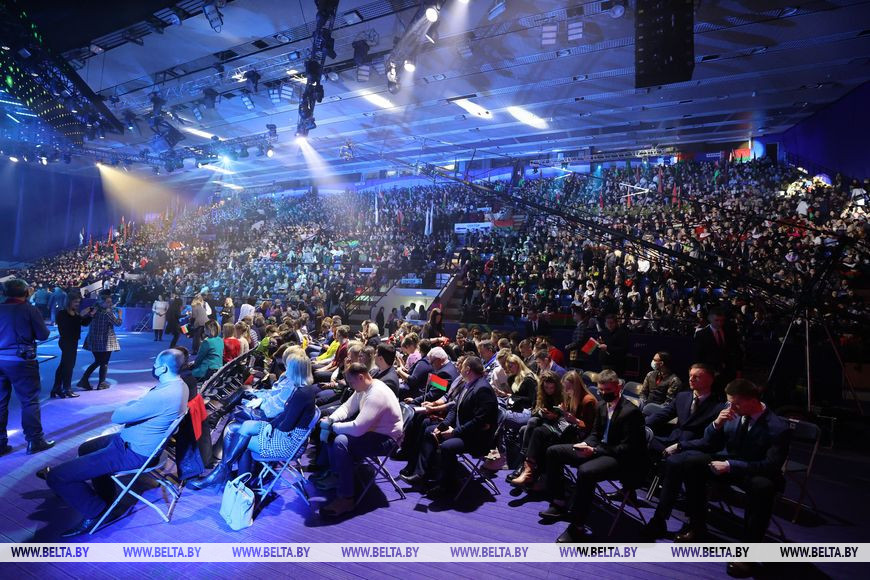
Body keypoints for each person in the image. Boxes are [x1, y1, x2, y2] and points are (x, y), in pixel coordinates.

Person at [642, 380, 789, 569]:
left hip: (753, 470)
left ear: (753, 401)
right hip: (725, 461)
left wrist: (730, 465)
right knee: (686, 464)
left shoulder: (777, 427)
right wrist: (716, 424)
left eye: (736, 404)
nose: (731, 408)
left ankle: (749, 552)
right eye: (729, 403)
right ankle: (694, 526)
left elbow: (771, 465)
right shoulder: (733, 413)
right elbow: (708, 442)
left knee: (764, 488)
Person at [43, 349, 188, 537]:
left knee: (56, 477)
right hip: (137, 444)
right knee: (86, 448)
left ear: (164, 369)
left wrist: (132, 404)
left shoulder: (162, 395)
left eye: (156, 364)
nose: (153, 367)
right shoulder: (181, 386)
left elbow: (117, 416)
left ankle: (96, 511)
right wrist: (137, 405)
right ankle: (104, 496)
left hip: (132, 452)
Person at [540, 369, 646, 542]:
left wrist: (594, 451)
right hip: (599, 449)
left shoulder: (631, 412)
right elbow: (595, 434)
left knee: (585, 471)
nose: (603, 393)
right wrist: (586, 444)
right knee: (554, 452)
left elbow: (628, 448)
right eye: (601, 390)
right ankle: (559, 502)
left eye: (608, 390)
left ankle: (577, 526)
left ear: (618, 387)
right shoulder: (602, 405)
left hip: (620, 459)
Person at [191, 350, 317, 490]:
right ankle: (230, 474)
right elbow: (284, 417)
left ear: (296, 372)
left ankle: (227, 475)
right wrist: (269, 425)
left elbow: (286, 425)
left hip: (287, 443)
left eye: (289, 369)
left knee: (241, 439)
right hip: (285, 434)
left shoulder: (301, 394)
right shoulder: (303, 390)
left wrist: (267, 426)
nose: (286, 372)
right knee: (236, 429)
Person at [317, 363, 404, 517]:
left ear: (361, 377)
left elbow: (358, 428)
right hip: (374, 433)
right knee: (336, 436)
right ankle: (338, 475)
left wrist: (333, 426)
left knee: (340, 441)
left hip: (387, 440)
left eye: (351, 382)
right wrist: (331, 419)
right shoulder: (364, 387)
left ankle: (346, 498)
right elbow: (347, 407)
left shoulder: (376, 394)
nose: (350, 386)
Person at [403, 356, 499, 496]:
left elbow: (479, 422)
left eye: (462, 366)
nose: (459, 369)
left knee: (447, 446)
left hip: (476, 437)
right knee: (430, 431)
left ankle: (447, 486)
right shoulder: (469, 383)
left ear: (468, 369)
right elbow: (455, 409)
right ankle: (421, 474)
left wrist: (455, 432)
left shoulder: (483, 389)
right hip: (463, 430)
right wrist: (443, 426)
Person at [509, 370, 597, 488]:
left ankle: (534, 472)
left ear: (576, 386)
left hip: (577, 437)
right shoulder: (570, 396)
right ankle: (531, 471)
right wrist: (560, 414)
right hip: (565, 428)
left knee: (539, 434)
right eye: (565, 388)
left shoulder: (588, 400)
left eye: (568, 388)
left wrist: (573, 419)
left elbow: (590, 428)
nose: (566, 391)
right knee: (534, 430)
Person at [0, 279, 53, 456]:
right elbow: (43, 335)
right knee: (29, 401)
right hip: (21, 361)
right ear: (26, 292)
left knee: (0, 402)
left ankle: (0, 443)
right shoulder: (29, 309)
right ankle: (35, 440)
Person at [645, 363, 724, 455]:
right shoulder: (682, 396)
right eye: (690, 375)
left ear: (710, 380)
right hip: (671, 440)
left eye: (696, 377)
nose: (691, 379)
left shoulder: (718, 406)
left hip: (692, 448)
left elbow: (709, 439)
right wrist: (642, 425)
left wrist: (681, 446)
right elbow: (662, 415)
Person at [78, 290, 122, 391]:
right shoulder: (108, 313)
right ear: (102, 302)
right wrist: (120, 314)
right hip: (105, 341)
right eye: (108, 302)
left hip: (93, 339)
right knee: (103, 362)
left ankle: (88, 381)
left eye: (110, 302)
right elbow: (118, 324)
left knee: (99, 361)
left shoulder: (94, 310)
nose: (110, 304)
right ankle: (99, 382)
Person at [51, 295, 94, 399]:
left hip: (73, 341)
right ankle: (67, 389)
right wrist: (80, 316)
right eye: (75, 302)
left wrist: (90, 315)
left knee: (64, 365)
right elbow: (68, 327)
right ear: (68, 302)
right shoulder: (62, 313)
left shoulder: (75, 313)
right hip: (66, 341)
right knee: (68, 366)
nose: (77, 304)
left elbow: (83, 324)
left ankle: (57, 388)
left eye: (78, 302)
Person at [694, 308, 743, 388]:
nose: (719, 323)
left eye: (722, 320)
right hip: (711, 372)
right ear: (710, 319)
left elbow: (737, 352)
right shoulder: (701, 334)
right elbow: (699, 356)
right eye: (716, 320)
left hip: (729, 371)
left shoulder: (730, 332)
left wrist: (738, 370)